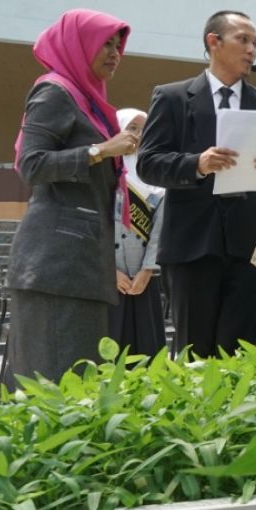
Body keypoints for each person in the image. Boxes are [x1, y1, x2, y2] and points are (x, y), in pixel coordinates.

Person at [137, 10, 256, 357]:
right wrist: (197, 164)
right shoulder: (173, 97)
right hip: (192, 243)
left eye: (255, 43)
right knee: (196, 350)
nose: (252, 49)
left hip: (250, 244)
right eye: (243, 40)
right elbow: (148, 163)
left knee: (248, 352)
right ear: (213, 42)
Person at [4, 8, 138, 391]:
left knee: (75, 383)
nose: (114, 53)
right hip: (57, 264)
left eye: (118, 45)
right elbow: (31, 164)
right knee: (52, 385)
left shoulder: (88, 100)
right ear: (79, 45)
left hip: (81, 264)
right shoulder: (55, 91)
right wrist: (102, 150)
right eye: (105, 43)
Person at [110, 108, 168, 358]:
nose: (138, 135)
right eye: (132, 128)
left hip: (143, 282)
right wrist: (108, 271)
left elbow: (159, 232)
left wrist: (147, 271)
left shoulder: (156, 179)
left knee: (146, 352)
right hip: (109, 281)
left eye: (144, 129)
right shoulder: (104, 176)